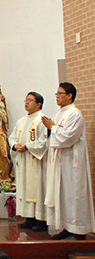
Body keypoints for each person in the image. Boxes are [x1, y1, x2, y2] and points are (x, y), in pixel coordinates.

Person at [42, 82, 95, 240]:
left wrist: (53, 128)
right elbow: (52, 138)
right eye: (56, 94)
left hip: (72, 162)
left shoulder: (75, 114)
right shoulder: (60, 114)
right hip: (60, 162)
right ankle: (66, 226)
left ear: (70, 95)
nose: (57, 97)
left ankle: (78, 230)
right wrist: (49, 130)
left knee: (74, 196)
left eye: (60, 93)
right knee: (62, 195)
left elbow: (68, 137)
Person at [9, 92, 48, 232]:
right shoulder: (21, 121)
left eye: (30, 100)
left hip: (35, 162)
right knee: (25, 189)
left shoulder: (42, 120)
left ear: (38, 104)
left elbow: (44, 141)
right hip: (23, 161)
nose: (26, 103)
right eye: (25, 100)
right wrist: (15, 145)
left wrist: (26, 146)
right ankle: (29, 218)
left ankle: (41, 221)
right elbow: (12, 137)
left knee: (37, 189)